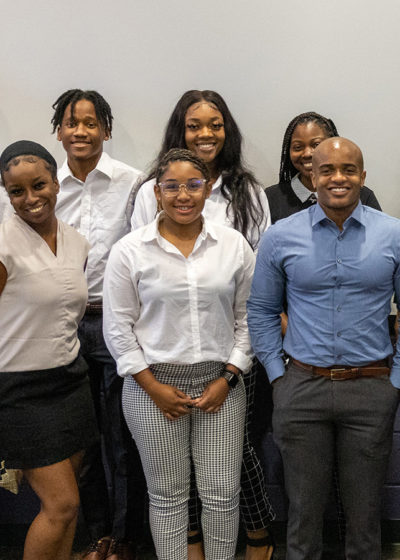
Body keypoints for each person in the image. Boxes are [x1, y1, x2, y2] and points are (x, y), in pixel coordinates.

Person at [248, 138, 400, 560]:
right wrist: (278, 375)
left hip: (371, 389)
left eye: (349, 169)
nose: (338, 178)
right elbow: (261, 309)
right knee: (302, 518)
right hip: (301, 387)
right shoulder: (280, 236)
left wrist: (397, 380)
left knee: (364, 520)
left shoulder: (397, 236)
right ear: (312, 176)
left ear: (363, 176)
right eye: (327, 170)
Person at [128, 90, 274, 560]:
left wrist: (232, 370)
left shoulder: (245, 196)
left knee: (222, 482)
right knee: (169, 490)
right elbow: (125, 306)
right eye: (195, 125)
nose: (206, 133)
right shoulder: (143, 216)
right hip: (158, 367)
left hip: (225, 363)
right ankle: (186, 549)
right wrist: (149, 383)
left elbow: (254, 288)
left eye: (215, 124)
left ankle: (240, 543)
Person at [103, 148, 254, 560]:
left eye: (193, 184)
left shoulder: (233, 245)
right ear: (156, 192)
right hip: (152, 385)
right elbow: (118, 329)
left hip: (220, 384)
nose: (182, 195)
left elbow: (248, 319)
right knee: (168, 496)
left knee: (222, 493)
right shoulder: (130, 251)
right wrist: (153, 387)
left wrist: (228, 378)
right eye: (172, 186)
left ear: (207, 190)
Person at [49, 89, 147, 560]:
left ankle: (125, 539)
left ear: (106, 129)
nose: (81, 132)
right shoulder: (45, 184)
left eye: (91, 123)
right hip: (63, 326)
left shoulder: (133, 183)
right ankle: (96, 535)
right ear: (60, 130)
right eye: (72, 123)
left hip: (116, 323)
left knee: (123, 439)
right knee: (79, 442)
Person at [0, 140, 97, 560]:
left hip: (70, 381)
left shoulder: (78, 242)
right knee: (61, 505)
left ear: (56, 184)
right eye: (16, 191)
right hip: (19, 388)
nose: (30, 199)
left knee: (68, 506)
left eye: (38, 185)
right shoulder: (2, 244)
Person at [266, 111, 381, 224]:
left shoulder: (362, 195)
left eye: (316, 145)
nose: (307, 153)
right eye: (297, 147)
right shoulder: (271, 198)